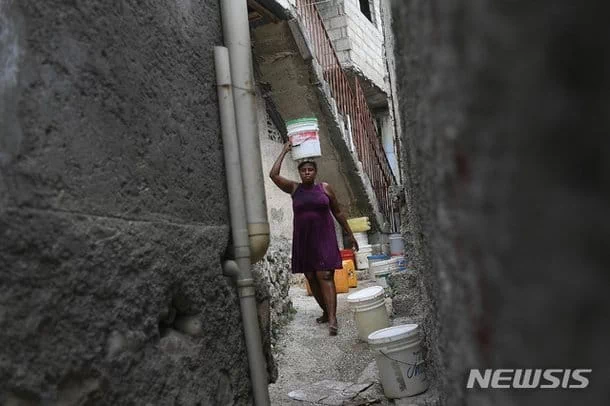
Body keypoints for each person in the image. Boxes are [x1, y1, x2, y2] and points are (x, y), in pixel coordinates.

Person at [269, 141, 359, 336]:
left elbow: (338, 212)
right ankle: (326, 312)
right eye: (304, 170)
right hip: (304, 239)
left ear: (315, 172)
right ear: (300, 174)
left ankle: (333, 319)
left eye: (310, 169)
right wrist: (284, 150)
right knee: (311, 276)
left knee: (325, 275)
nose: (307, 172)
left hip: (323, 237)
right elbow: (273, 175)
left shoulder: (324, 188)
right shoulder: (294, 189)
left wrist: (350, 234)